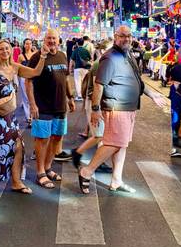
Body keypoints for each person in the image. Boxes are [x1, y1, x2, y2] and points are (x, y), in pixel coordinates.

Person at [0, 39, 49, 195]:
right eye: (1, 49)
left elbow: (35, 73)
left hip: (10, 118)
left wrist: (43, 57)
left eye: (7, 48)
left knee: (18, 146)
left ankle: (16, 182)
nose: (5, 51)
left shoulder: (15, 68)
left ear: (12, 50)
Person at [78, 25, 142, 194]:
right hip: (117, 107)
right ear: (116, 37)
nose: (126, 39)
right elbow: (99, 86)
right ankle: (86, 171)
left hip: (129, 108)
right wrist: (95, 109)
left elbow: (138, 81)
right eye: (123, 36)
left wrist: (153, 95)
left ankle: (116, 180)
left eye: (129, 36)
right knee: (113, 143)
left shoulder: (128, 55)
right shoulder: (109, 57)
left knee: (121, 145)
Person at [26, 29, 75, 189]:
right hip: (43, 106)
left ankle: (48, 167)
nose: (51, 41)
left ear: (58, 40)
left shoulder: (62, 55)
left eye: (54, 38)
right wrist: (32, 104)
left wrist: (70, 97)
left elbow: (66, 78)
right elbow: (29, 82)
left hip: (60, 105)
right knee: (42, 139)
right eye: (48, 38)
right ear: (44, 40)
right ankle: (40, 172)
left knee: (56, 137)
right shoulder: (37, 57)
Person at [71, 39, 113, 173]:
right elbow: (97, 88)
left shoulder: (103, 63)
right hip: (95, 102)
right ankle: (77, 152)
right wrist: (96, 108)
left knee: (103, 134)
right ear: (102, 50)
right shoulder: (98, 64)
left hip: (100, 102)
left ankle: (99, 161)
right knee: (99, 135)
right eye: (110, 48)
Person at [17, 38, 37, 127]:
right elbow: (18, 68)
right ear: (24, 45)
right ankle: (29, 117)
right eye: (26, 43)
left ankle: (33, 116)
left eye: (30, 43)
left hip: (34, 79)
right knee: (26, 98)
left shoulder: (35, 54)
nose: (28, 45)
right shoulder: (21, 56)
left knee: (33, 97)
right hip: (24, 79)